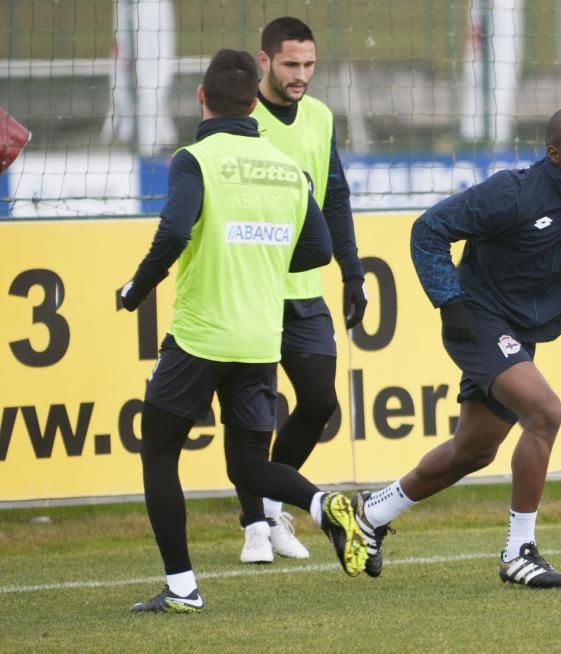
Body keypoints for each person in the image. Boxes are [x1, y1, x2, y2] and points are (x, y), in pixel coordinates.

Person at [347, 106, 561, 587]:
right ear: (554, 155)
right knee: (545, 412)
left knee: (473, 451)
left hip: (518, 331)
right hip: (478, 320)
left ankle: (372, 513)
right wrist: (449, 303)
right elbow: (428, 230)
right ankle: (518, 551)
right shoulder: (512, 193)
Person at [120, 49, 367, 614]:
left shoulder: (195, 158)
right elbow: (320, 250)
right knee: (250, 466)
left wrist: (137, 291)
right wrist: (263, 258)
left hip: (200, 336)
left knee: (159, 453)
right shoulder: (286, 167)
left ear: (201, 99)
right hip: (260, 338)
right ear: (255, 103)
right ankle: (323, 502)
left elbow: (175, 230)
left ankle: (183, 587)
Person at [233, 16, 368, 565]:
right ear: (263, 61)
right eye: (291, 64)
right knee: (253, 416)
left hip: (304, 290)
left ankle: (270, 503)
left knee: (319, 402)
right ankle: (254, 528)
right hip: (251, 289)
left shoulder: (319, 116)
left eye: (309, 65)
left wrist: (352, 272)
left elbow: (334, 196)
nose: (301, 76)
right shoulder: (240, 117)